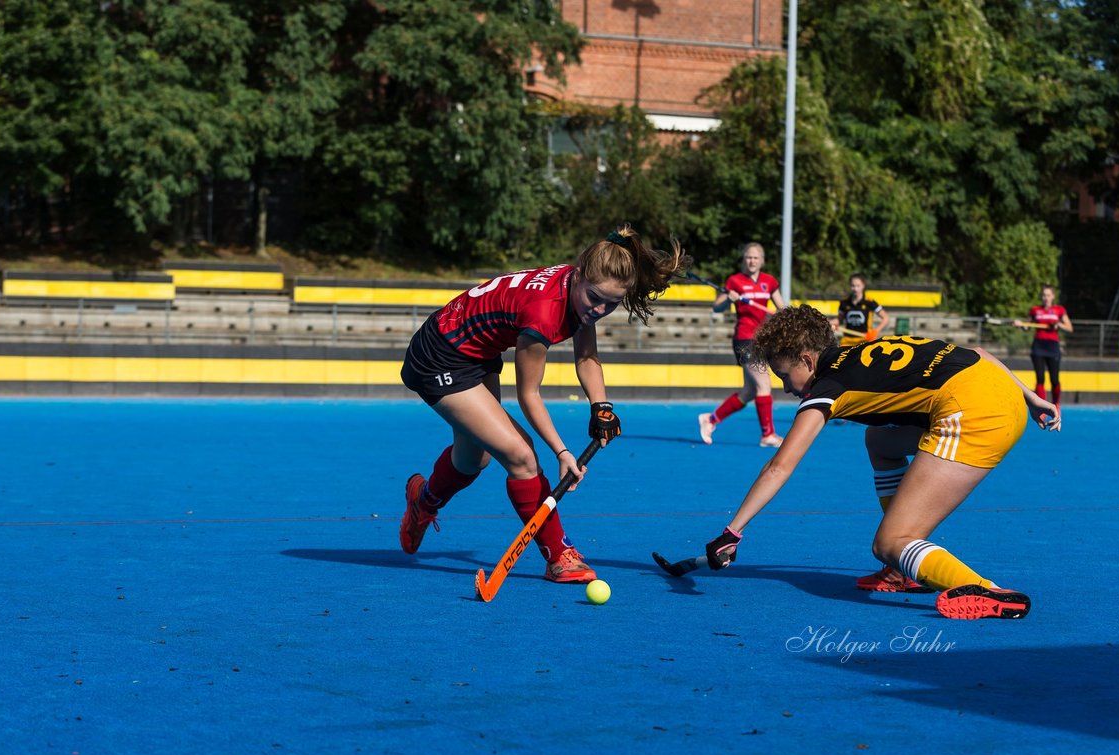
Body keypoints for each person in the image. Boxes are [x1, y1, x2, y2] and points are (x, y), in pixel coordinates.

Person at [693, 304, 1061, 620]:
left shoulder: (827, 387)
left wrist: (732, 532)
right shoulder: (860, 351)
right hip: (1002, 391)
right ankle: (902, 571)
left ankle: (990, 592)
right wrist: (1030, 398)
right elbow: (978, 351)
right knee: (881, 439)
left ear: (807, 360)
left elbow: (780, 466)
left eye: (785, 376)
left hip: (977, 414)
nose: (786, 388)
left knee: (890, 541)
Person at [398, 224, 685, 584]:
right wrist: (563, 452)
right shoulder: (544, 312)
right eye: (595, 298)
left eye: (611, 304)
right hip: (440, 356)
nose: (599, 310)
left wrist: (602, 407)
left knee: (474, 458)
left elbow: (586, 358)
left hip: (474, 351)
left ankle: (423, 502)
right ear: (578, 275)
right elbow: (529, 395)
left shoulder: (579, 290)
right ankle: (558, 556)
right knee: (521, 456)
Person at [698, 242, 787, 448]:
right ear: (743, 259)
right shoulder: (734, 281)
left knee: (749, 391)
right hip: (745, 339)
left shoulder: (769, 281)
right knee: (764, 384)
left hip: (762, 339)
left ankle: (710, 420)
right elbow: (717, 308)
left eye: (756, 258)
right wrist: (729, 299)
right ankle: (768, 435)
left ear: (762, 260)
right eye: (748, 257)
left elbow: (781, 307)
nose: (752, 261)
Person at [1015, 285, 1073, 408]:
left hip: (1053, 347)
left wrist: (1058, 325)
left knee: (1054, 379)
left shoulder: (1059, 310)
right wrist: (1021, 324)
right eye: (1043, 295)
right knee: (1040, 379)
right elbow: (1027, 327)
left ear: (1053, 296)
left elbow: (1069, 328)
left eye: (1048, 295)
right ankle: (1042, 406)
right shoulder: (1035, 310)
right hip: (1038, 347)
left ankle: (1056, 404)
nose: (1046, 298)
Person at [835, 272, 890, 346]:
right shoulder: (844, 302)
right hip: (847, 341)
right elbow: (839, 320)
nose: (855, 289)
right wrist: (830, 323)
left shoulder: (869, 301)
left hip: (865, 340)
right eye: (853, 286)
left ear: (863, 286)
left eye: (858, 286)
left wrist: (876, 331)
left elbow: (885, 318)